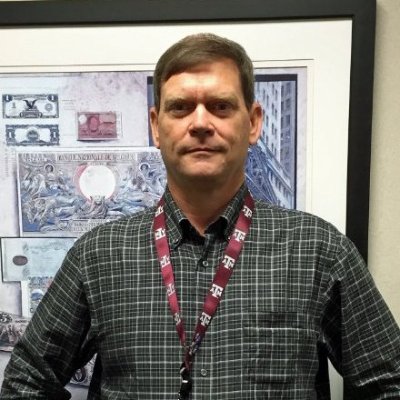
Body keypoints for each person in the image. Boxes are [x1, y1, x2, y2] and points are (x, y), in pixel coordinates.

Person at [1, 33, 399, 400]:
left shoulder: (318, 252)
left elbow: (389, 384)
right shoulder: (98, 256)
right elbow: (26, 383)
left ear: (254, 122)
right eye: (181, 107)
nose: (201, 123)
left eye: (221, 106)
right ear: (157, 126)